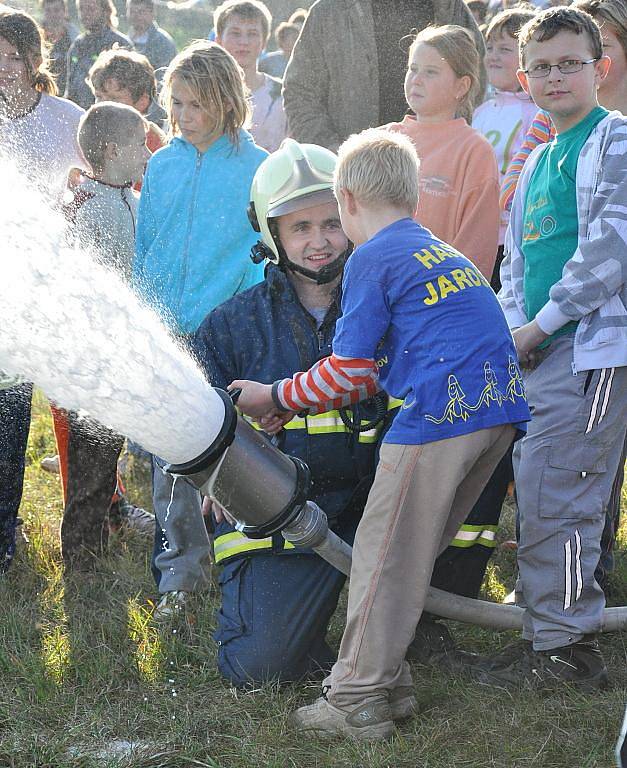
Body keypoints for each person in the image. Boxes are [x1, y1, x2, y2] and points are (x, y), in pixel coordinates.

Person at [232, 129, 530, 739]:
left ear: (346, 199)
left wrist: (276, 396)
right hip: (497, 414)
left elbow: (353, 369)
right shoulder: (436, 250)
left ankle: (353, 699)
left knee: (383, 557)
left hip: (439, 418)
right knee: (409, 555)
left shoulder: (373, 258)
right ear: (413, 195)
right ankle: (388, 681)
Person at [192, 139, 385, 685]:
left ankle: (415, 611)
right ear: (270, 235)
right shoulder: (230, 328)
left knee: (415, 641)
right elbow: (193, 436)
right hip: (288, 514)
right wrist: (220, 484)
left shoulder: (391, 302)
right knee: (258, 669)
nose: (319, 242)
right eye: (300, 228)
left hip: (384, 502)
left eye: (330, 222)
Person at [477, 6, 627, 690]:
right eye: (540, 66)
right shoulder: (536, 157)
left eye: (569, 63)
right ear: (522, 76)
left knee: (564, 492)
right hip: (541, 351)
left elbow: (609, 252)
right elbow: (516, 259)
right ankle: (547, 633)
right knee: (539, 489)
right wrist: (516, 328)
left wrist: (540, 326)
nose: (554, 76)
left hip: (591, 354)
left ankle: (567, 652)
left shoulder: (615, 141)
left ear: (599, 69)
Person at [133, 41, 267, 614]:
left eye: (197, 104)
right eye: (177, 103)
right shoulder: (161, 163)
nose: (185, 116)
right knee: (173, 458)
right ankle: (180, 577)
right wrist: (142, 311)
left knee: (236, 451)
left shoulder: (259, 167)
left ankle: (246, 562)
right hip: (165, 330)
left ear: (227, 100)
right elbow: (147, 245)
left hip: (228, 330)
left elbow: (264, 253)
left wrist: (236, 312)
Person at [0, 10, 84, 574]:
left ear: (34, 62)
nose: (2, 69)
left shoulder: (64, 119)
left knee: (13, 410)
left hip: (40, 290)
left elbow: (113, 171)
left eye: (11, 58)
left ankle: (10, 529)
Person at [55, 102, 150, 568]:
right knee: (89, 466)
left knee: (108, 453)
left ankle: (107, 528)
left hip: (122, 358)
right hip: (91, 363)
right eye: (140, 144)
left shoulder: (131, 201)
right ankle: (80, 558)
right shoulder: (87, 208)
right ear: (112, 150)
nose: (147, 152)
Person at [282, 0, 486, 151]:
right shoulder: (331, 12)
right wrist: (333, 153)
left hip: (436, 174)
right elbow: (300, 92)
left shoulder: (448, 8)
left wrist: (444, 143)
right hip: (352, 182)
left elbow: (473, 79)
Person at [387, 25, 499, 281]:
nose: (416, 79)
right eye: (413, 69)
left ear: (461, 86)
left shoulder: (474, 151)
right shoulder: (382, 139)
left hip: (439, 303)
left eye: (431, 72)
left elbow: (475, 252)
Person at [472, 6, 537, 291]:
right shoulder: (480, 111)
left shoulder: (539, 115)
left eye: (505, 48)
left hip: (517, 237)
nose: (493, 55)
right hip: (480, 232)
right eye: (490, 47)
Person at [214, 0, 287, 152]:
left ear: (264, 42)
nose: (244, 42)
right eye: (235, 33)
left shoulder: (283, 97)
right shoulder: (203, 94)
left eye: (252, 34)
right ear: (219, 40)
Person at [87, 48, 166, 147]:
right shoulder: (89, 135)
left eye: (114, 99)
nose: (102, 105)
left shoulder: (152, 144)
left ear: (142, 102)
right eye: (99, 96)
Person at [65, 0, 132, 109]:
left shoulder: (120, 44)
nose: (85, 14)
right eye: (81, 9)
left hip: (111, 114)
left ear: (105, 12)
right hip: (80, 115)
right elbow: (70, 88)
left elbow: (129, 90)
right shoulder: (77, 45)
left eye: (90, 9)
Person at [126, 0, 176, 76]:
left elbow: (165, 76)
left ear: (152, 13)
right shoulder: (125, 40)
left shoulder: (163, 43)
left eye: (141, 11)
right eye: (132, 11)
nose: (136, 16)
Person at [40, 0, 79, 96]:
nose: (52, 14)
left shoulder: (75, 37)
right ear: (43, 12)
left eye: (56, 10)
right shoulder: (36, 36)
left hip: (71, 94)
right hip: (44, 92)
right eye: (48, 10)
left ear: (64, 11)